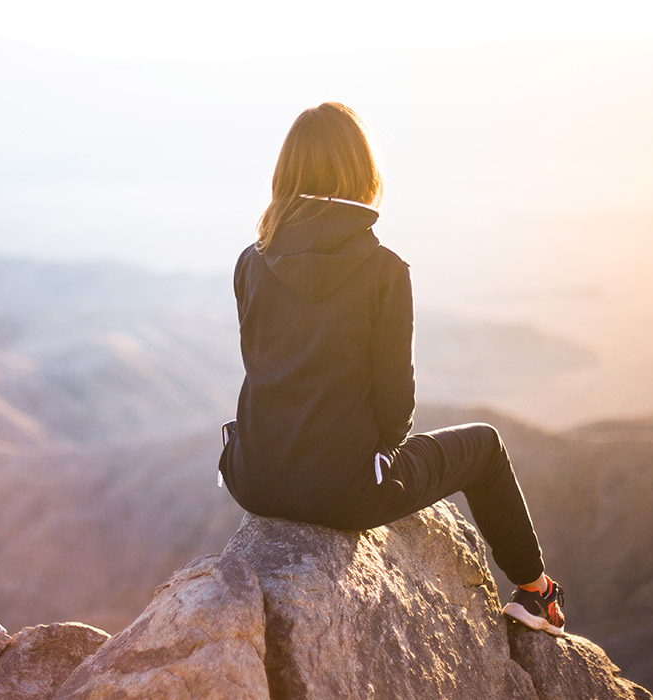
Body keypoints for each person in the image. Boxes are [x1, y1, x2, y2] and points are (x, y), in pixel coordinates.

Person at [218, 101, 566, 636]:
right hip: (345, 492)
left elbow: (263, 367)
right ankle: (534, 591)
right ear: (362, 173)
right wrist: (373, 459)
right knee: (487, 447)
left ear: (285, 174)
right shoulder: (384, 271)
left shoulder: (251, 259)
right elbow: (396, 411)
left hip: (252, 477)